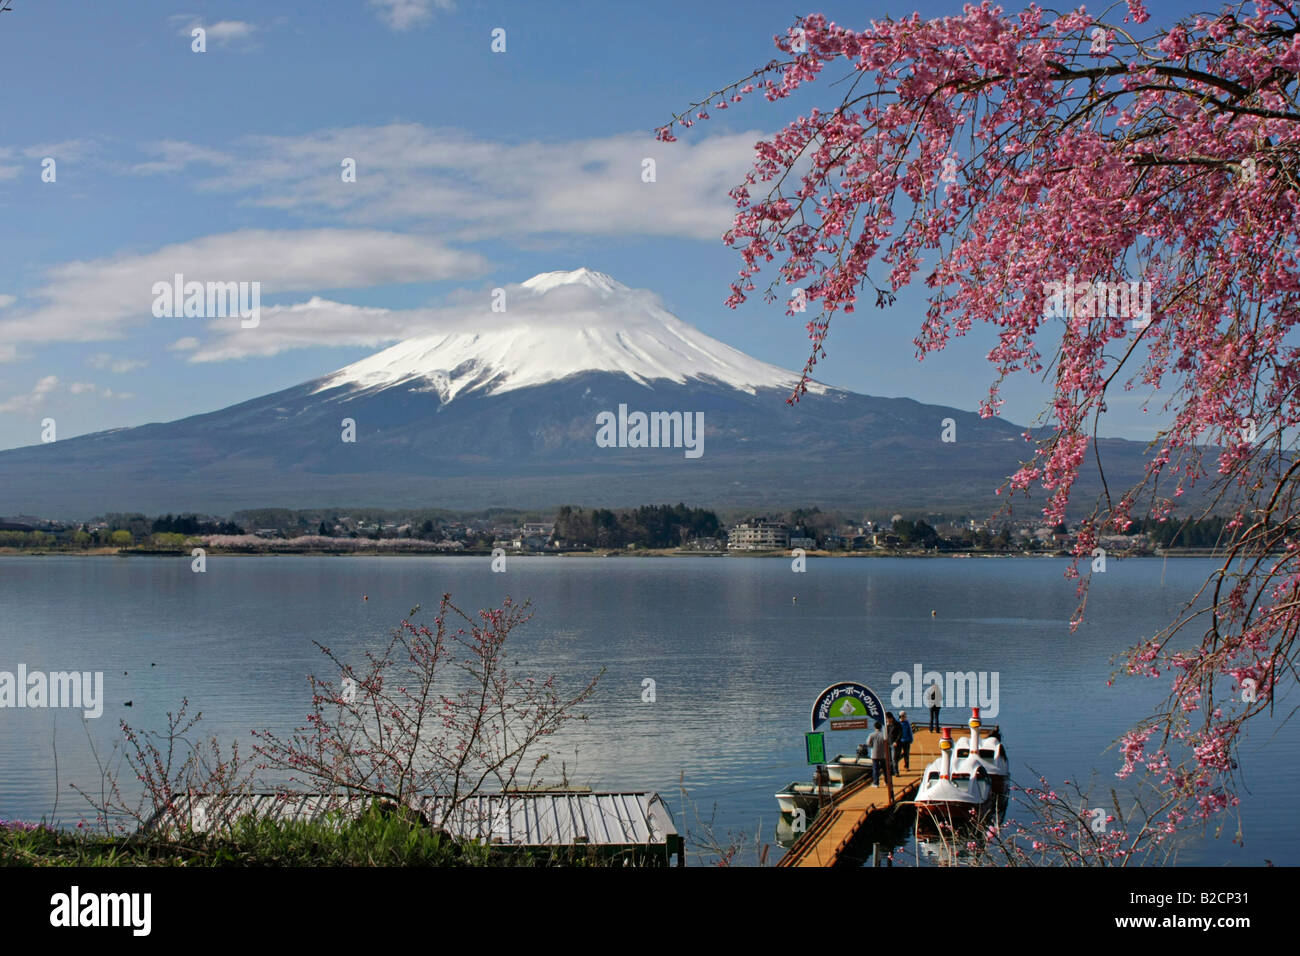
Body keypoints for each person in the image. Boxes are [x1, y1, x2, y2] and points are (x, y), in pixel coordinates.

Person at [865, 721, 889, 786]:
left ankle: (876, 783)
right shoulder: (884, 735)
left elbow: (868, 744)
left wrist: (872, 745)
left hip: (874, 754)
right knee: (885, 769)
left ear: (875, 727)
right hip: (883, 754)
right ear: (881, 727)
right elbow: (887, 743)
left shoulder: (871, 735)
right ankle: (886, 782)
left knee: (875, 769)